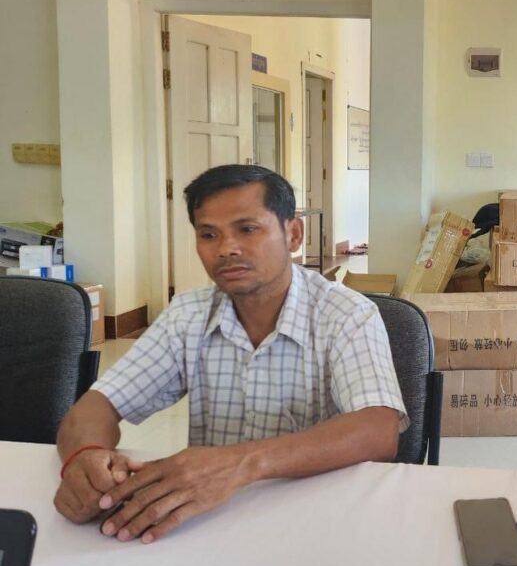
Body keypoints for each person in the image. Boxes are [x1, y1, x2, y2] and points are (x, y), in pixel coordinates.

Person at [54, 164, 407, 544]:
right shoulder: (188, 315)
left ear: (293, 234)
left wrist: (242, 463)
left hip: (321, 522)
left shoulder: (346, 314)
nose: (226, 249)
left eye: (247, 229)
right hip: (211, 523)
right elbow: (97, 406)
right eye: (209, 234)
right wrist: (86, 458)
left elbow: (378, 428)